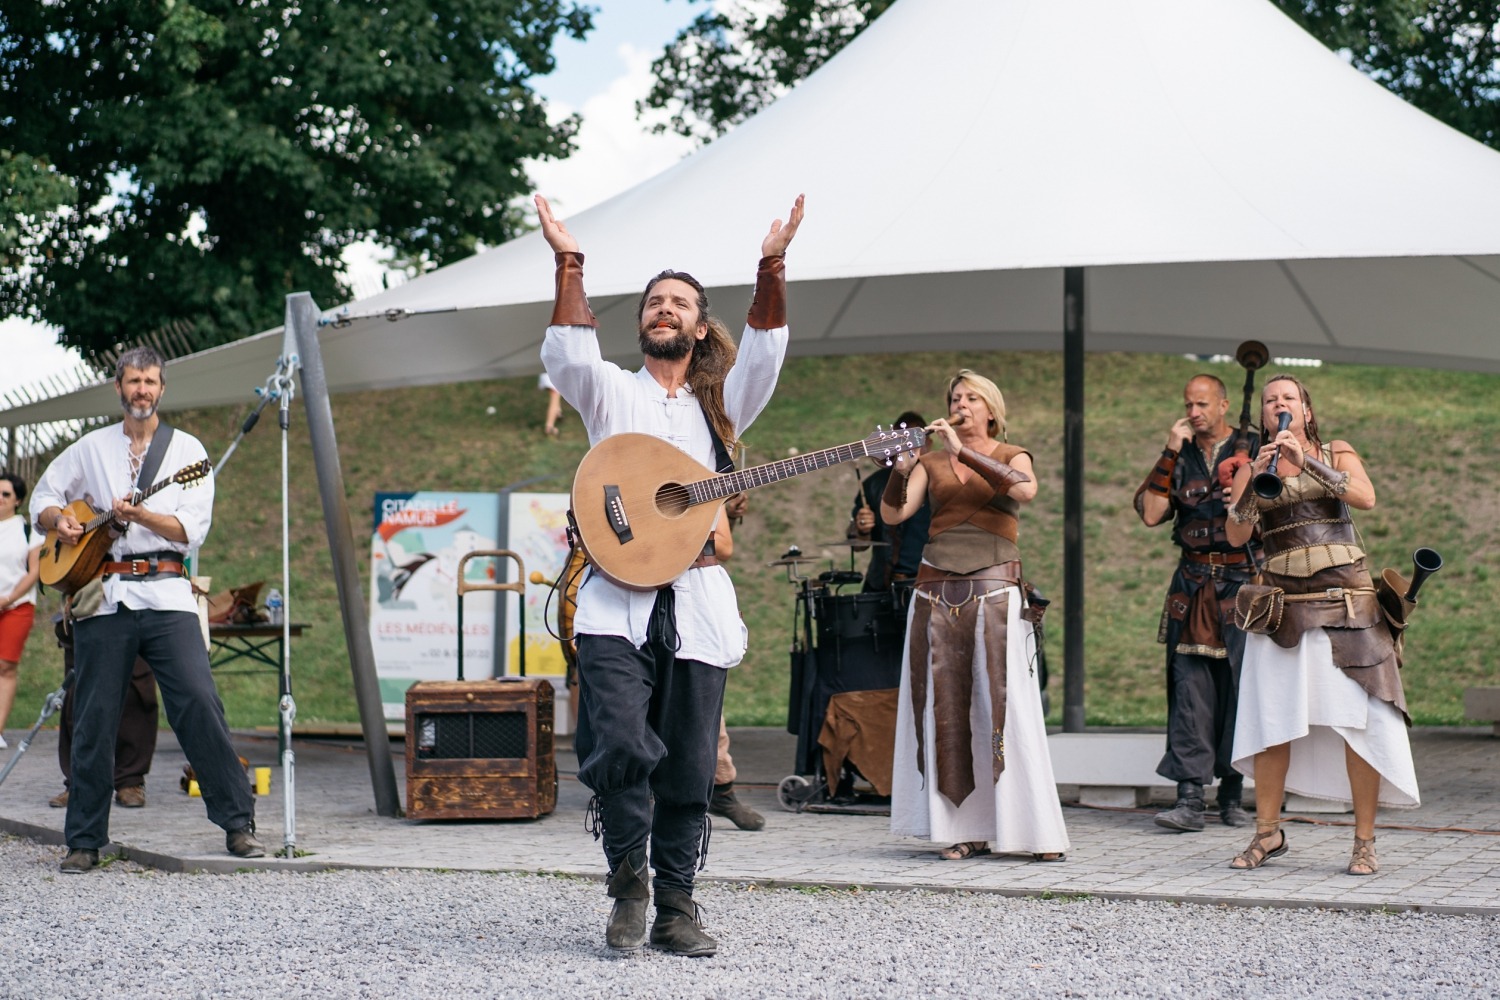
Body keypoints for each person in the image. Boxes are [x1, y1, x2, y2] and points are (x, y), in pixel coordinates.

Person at [536, 191, 804, 955]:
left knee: (687, 765)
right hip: (612, 602)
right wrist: (568, 261)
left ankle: (677, 908)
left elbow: (767, 350)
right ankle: (628, 882)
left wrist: (772, 264)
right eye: (655, 301)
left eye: (680, 302)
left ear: (697, 324)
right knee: (619, 743)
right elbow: (567, 351)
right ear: (643, 321)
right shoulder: (610, 391)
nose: (664, 309)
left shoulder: (721, 410)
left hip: (694, 604)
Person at [30, 346, 264, 873]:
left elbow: (190, 529)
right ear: (119, 388)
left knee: (199, 703)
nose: (142, 390)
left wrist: (142, 515)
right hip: (105, 596)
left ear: (162, 389)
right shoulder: (90, 448)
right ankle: (85, 840)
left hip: (166, 593)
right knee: (93, 715)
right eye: (133, 381)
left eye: (151, 382)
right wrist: (57, 521)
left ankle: (237, 823)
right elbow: (43, 496)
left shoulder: (189, 452)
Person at [1224, 374, 1416, 875]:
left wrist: (1303, 459)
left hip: (1346, 607)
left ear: (1306, 411)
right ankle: (1267, 833)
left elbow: (1365, 497)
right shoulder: (1252, 466)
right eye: (1271, 401)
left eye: (1289, 398)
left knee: (1360, 722)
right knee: (1272, 723)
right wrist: (1259, 472)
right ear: (1263, 414)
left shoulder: (1335, 451)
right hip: (1284, 608)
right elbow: (1236, 531)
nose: (1279, 405)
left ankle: (1364, 841)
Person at [884, 369, 1068, 862]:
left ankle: (1032, 831)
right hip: (935, 588)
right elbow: (894, 516)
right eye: (955, 397)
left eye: (971, 397)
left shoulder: (1012, 454)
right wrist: (901, 471)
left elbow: (1024, 492)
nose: (961, 404)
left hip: (995, 589)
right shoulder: (931, 459)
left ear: (991, 409)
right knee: (947, 709)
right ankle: (963, 829)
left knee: (1005, 709)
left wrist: (965, 452)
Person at [1133, 375, 1261, 832]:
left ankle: (1231, 796)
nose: (1193, 412)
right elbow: (1151, 513)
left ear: (1224, 405)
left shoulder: (1254, 449)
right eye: (1188, 404)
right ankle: (1189, 797)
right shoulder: (1180, 455)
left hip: (1241, 585)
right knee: (1188, 690)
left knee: (1237, 691)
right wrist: (1170, 450)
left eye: (1202, 404)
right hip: (1191, 588)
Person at [706, 492, 766, 833]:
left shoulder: (702, 467)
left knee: (707, 699)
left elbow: (723, 547)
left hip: (695, 590)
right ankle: (647, 795)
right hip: (637, 587)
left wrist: (722, 510)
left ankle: (721, 789)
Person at [847, 411, 931, 593]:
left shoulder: (940, 481)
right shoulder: (873, 484)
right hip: (880, 584)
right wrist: (861, 529)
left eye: (914, 441)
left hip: (926, 583)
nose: (907, 448)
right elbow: (858, 544)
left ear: (928, 443)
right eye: (900, 441)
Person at [0, 472, 42, 748]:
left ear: (18, 501)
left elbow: (35, 571)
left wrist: (7, 599)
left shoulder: (27, 529)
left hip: (16, 605)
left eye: (5, 494)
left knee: (5, 666)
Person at [539, 371, 564, 436]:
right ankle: (549, 427)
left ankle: (558, 412)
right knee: (555, 395)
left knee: (555, 394)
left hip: (549, 372)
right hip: (550, 373)